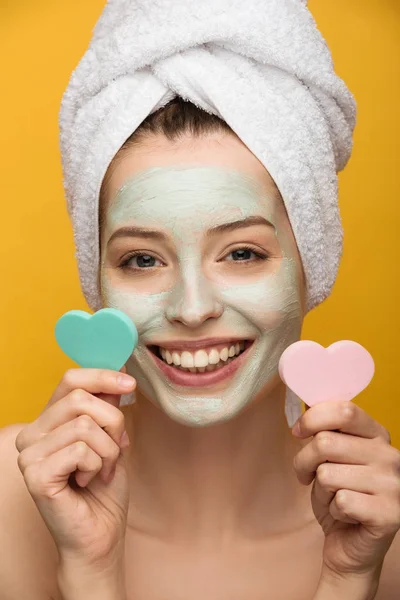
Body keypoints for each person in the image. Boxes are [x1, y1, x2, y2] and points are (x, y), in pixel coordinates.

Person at [1, 2, 400, 600]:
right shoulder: (7, 500)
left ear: (310, 261)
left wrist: (350, 580)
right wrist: (88, 572)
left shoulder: (385, 523)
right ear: (99, 280)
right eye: (142, 259)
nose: (191, 309)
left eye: (242, 253)